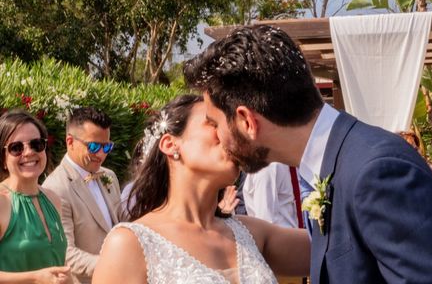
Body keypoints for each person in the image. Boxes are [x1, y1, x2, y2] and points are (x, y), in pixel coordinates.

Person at [184, 24, 432, 284]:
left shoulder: (378, 172)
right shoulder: (332, 164)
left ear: (247, 121)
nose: (216, 136)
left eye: (215, 122)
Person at [94, 94, 310, 284]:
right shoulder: (128, 245)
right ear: (170, 144)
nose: (230, 134)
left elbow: (339, 243)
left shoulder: (253, 234)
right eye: (213, 123)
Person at [43, 107, 121, 284]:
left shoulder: (109, 176)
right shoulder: (56, 188)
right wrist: (114, 265)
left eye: (107, 146)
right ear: (70, 142)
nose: (101, 154)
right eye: (93, 146)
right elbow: (65, 253)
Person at [0, 109, 71, 284]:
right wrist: (34, 278)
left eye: (36, 144)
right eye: (16, 148)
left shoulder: (53, 199)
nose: (29, 152)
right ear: (3, 158)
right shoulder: (2, 202)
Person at [243, 162, 299, 228]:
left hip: (297, 232)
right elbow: (265, 220)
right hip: (281, 235)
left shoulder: (288, 162)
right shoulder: (268, 168)